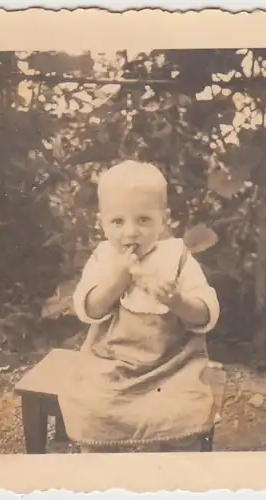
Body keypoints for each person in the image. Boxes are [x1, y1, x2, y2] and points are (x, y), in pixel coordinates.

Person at [59, 160, 220, 453]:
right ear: (102, 222)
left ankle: (174, 472)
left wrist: (177, 301)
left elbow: (206, 312)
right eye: (118, 222)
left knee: (180, 410)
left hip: (171, 364)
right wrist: (116, 281)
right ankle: (104, 471)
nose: (130, 232)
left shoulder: (177, 257)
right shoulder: (103, 257)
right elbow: (89, 309)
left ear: (163, 219)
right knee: (93, 405)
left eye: (143, 220)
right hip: (113, 361)